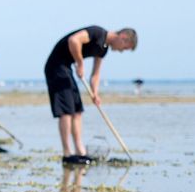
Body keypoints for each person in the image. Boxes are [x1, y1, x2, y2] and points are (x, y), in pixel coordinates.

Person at [44, 26, 137, 165]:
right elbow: (74, 40)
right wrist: (80, 63)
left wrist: (95, 94)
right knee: (66, 112)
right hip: (56, 66)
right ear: (123, 37)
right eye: (124, 48)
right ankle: (67, 153)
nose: (121, 51)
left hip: (67, 67)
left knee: (77, 111)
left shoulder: (103, 49)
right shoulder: (97, 33)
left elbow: (95, 75)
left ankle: (80, 152)